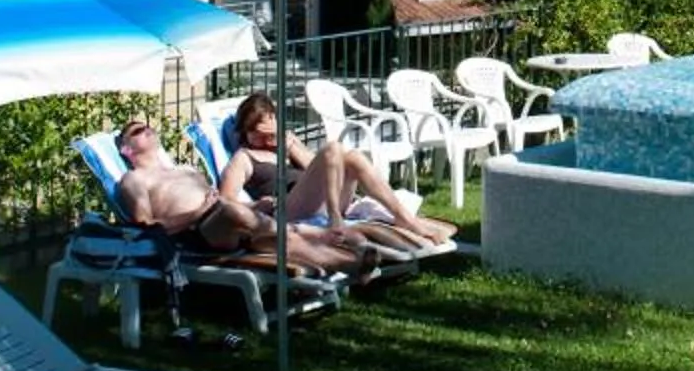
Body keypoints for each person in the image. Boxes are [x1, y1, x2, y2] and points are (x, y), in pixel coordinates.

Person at [110, 118, 373, 275]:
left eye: (146, 126)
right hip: (196, 234)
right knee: (231, 211)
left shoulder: (185, 169)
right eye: (136, 131)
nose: (146, 128)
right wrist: (199, 211)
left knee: (274, 242)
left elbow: (218, 200)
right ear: (126, 150)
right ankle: (311, 232)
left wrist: (254, 205)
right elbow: (146, 227)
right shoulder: (133, 180)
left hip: (230, 221)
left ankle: (352, 264)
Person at [222, 92, 459, 250]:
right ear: (244, 131)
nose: (264, 140)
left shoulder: (287, 144)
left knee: (353, 157)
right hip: (286, 210)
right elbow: (225, 202)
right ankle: (336, 220)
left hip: (320, 203)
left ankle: (405, 218)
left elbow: (323, 167)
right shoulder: (243, 158)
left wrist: (289, 145)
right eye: (257, 134)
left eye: (269, 134)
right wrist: (255, 206)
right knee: (333, 148)